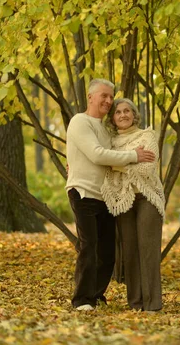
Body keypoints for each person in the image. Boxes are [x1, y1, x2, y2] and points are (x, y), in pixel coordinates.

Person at [65, 79, 155, 311]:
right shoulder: (80, 121)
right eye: (103, 96)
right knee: (89, 246)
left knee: (107, 252)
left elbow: (108, 157)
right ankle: (82, 299)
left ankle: (96, 295)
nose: (107, 100)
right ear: (90, 97)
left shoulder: (106, 130)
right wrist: (134, 156)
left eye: (110, 97)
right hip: (83, 192)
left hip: (105, 196)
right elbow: (97, 155)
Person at [101, 98, 165, 312]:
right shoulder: (109, 142)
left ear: (134, 114)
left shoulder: (147, 135)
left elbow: (146, 169)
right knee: (129, 250)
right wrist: (131, 158)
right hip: (123, 198)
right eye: (118, 112)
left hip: (147, 197)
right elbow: (102, 162)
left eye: (127, 111)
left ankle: (153, 304)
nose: (123, 115)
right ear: (113, 118)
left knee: (148, 250)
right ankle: (136, 303)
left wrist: (117, 164)